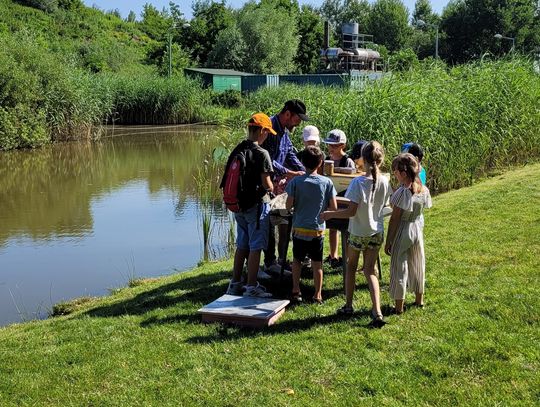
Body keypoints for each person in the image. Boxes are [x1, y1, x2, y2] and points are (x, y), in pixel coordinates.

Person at [322, 141, 392, 327]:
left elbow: (351, 212)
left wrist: (331, 213)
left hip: (358, 232)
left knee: (351, 267)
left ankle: (348, 306)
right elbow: (385, 204)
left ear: (363, 159)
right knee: (370, 271)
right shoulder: (385, 181)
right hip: (376, 232)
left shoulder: (357, 183)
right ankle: (377, 311)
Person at [224, 113, 276, 298]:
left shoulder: (238, 148)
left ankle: (235, 283)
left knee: (242, 245)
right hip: (256, 206)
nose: (268, 135)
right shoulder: (262, 153)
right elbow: (266, 184)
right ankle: (251, 286)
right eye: (267, 132)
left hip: (238, 206)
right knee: (255, 247)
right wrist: (274, 187)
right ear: (261, 130)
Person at [262, 100, 308, 274]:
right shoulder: (269, 128)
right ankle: (270, 262)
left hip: (278, 186)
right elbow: (267, 160)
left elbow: (290, 155)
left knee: (284, 219)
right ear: (288, 114)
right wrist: (289, 173)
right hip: (265, 185)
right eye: (298, 118)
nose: (299, 123)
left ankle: (280, 260)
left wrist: (307, 171)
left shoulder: (285, 133)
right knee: (267, 224)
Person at [285, 146, 337, 304]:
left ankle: (295, 290)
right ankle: (318, 294)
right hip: (317, 231)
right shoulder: (326, 182)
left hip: (299, 229)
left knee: (297, 261)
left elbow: (288, 206)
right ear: (321, 162)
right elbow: (333, 208)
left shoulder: (295, 182)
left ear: (301, 162)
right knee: (317, 263)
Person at [385, 153, 432, 313]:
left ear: (403, 173)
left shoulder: (402, 192)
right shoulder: (423, 189)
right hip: (417, 228)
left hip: (403, 230)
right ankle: (420, 299)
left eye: (395, 172)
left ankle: (398, 306)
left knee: (400, 266)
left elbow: (395, 219)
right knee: (418, 262)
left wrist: (389, 240)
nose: (394, 175)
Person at [322, 129, 356, 269]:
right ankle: (333, 255)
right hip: (331, 198)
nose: (331, 148)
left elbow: (351, 183)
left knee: (346, 231)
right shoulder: (326, 160)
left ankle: (347, 258)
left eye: (334, 145)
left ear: (342, 145)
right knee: (332, 230)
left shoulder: (347, 161)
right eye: (329, 145)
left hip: (344, 198)